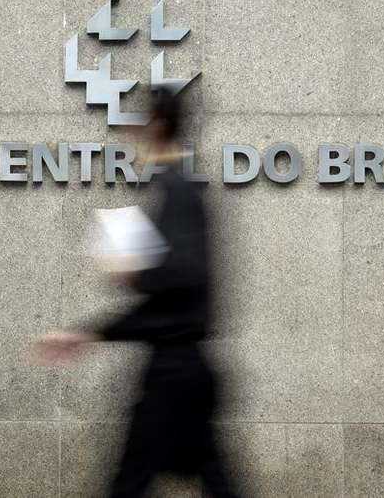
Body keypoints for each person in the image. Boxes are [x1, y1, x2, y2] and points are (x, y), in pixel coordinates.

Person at [34, 89, 240, 498]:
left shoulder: (177, 190)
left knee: (129, 484)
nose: (134, 137)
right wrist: (90, 333)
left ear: (158, 127)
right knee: (208, 482)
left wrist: (135, 270)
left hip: (174, 375)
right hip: (184, 370)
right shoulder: (179, 188)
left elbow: (182, 279)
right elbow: (179, 291)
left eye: (141, 125)